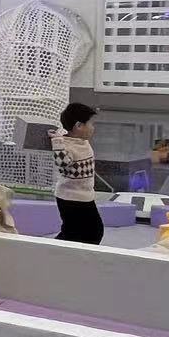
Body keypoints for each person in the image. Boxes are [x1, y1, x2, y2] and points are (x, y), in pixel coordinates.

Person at [50, 103, 104, 245]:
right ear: (79, 126)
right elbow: (61, 163)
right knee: (77, 232)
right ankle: (52, 251)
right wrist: (57, 141)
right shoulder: (66, 144)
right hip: (70, 197)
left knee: (93, 231)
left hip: (85, 195)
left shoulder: (82, 141)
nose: (93, 128)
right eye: (90, 124)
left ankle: (57, 250)